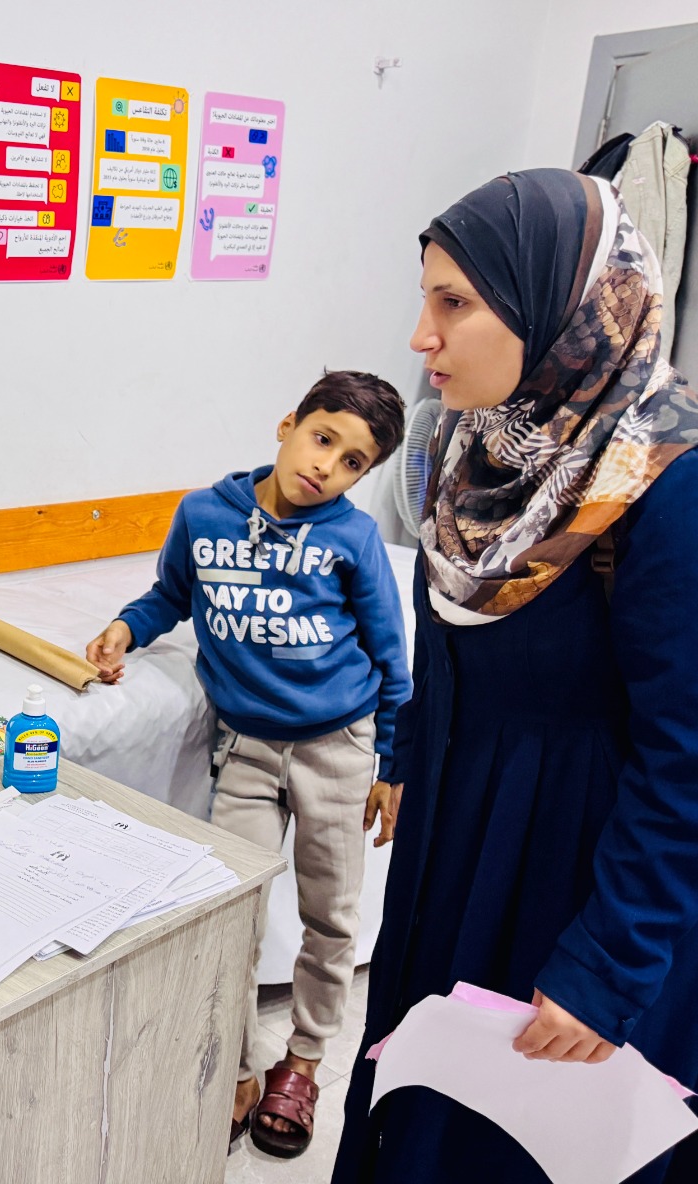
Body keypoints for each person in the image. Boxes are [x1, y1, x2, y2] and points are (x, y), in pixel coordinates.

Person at [332, 170, 698, 1182]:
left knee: (510, 1145)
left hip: (575, 879)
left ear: (559, 311)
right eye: (424, 299)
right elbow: (440, 643)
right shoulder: (470, 451)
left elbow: (686, 759)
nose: (422, 337)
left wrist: (607, 964)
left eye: (454, 303)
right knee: (415, 1097)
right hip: (453, 844)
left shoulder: (664, 485)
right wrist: (404, 754)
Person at [86, 371, 410, 1158]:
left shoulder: (353, 538)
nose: (326, 466)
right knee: (231, 914)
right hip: (247, 748)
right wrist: (126, 629)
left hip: (338, 746)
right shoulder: (204, 514)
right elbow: (169, 596)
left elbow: (391, 657)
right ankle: (235, 1069)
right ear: (288, 423)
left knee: (330, 915)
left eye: (353, 462)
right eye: (322, 439)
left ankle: (303, 1062)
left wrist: (392, 763)